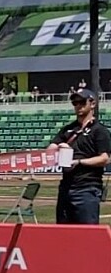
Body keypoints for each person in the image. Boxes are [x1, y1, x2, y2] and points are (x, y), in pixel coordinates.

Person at [46, 88, 110, 225]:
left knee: (87, 232)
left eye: (82, 102)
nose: (78, 105)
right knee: (63, 231)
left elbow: (104, 158)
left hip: (87, 188)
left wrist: (78, 162)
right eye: (75, 103)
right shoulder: (68, 129)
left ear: (92, 104)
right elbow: (50, 149)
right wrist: (59, 147)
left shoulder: (99, 131)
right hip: (66, 187)